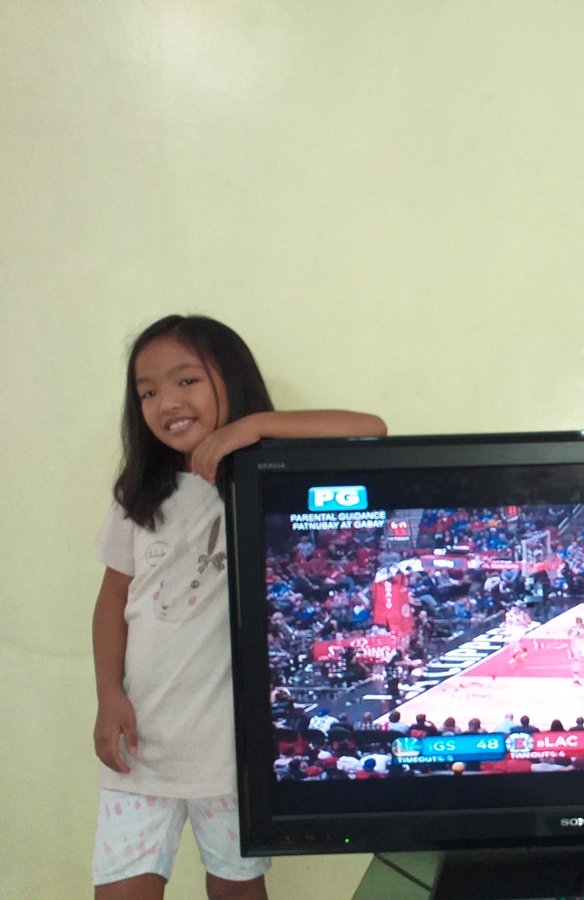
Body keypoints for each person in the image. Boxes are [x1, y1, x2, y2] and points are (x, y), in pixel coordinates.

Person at [91, 314, 386, 899]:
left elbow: (371, 429)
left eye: (186, 381)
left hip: (231, 754)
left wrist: (249, 429)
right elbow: (112, 600)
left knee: (236, 891)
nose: (166, 402)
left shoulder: (264, 479)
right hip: (142, 746)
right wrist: (108, 697)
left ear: (232, 378)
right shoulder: (140, 496)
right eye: (147, 392)